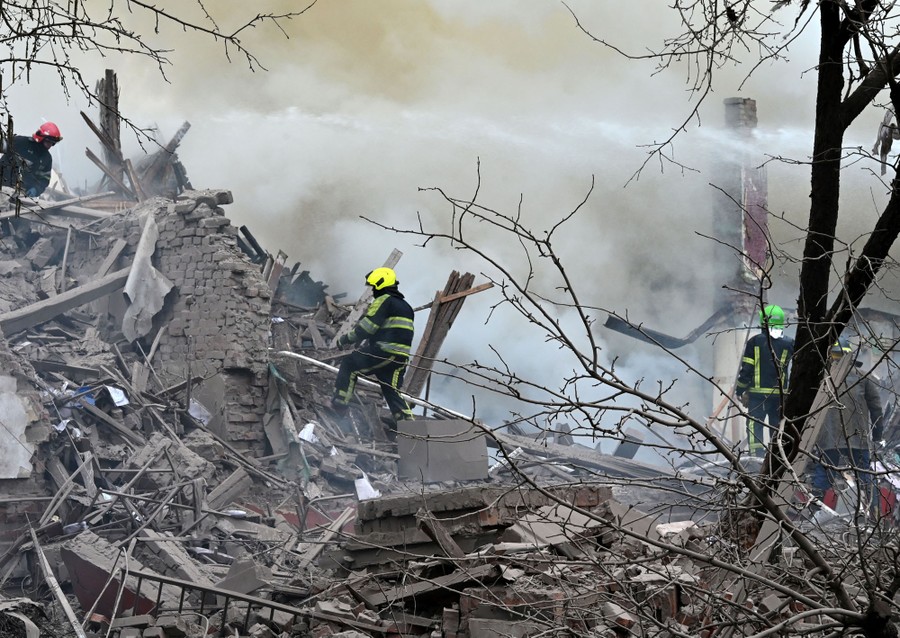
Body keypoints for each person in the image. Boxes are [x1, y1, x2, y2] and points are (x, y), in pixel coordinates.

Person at [808, 337, 884, 516]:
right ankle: (875, 514)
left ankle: (812, 515)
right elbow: (876, 409)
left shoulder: (824, 379)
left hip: (829, 439)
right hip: (857, 438)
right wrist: (878, 435)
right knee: (865, 476)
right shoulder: (863, 377)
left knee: (823, 475)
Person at [332, 267, 415, 426]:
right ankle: (411, 430)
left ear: (380, 285)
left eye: (373, 287)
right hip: (401, 358)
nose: (373, 291)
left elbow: (367, 328)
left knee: (349, 364)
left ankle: (339, 407)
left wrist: (344, 339)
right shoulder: (406, 307)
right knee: (392, 392)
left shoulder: (384, 300)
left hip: (383, 352)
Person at [736, 304, 794, 457]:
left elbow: (746, 369)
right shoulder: (789, 343)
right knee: (777, 426)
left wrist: (740, 389)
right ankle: (776, 457)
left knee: (755, 425)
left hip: (757, 396)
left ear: (762, 321)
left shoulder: (754, 342)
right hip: (779, 396)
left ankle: (757, 456)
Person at [0, 122, 62, 198]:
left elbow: (44, 179)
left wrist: (36, 189)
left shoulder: (46, 159)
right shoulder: (20, 142)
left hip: (20, 194)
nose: (49, 146)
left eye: (52, 143)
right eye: (48, 142)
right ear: (40, 138)